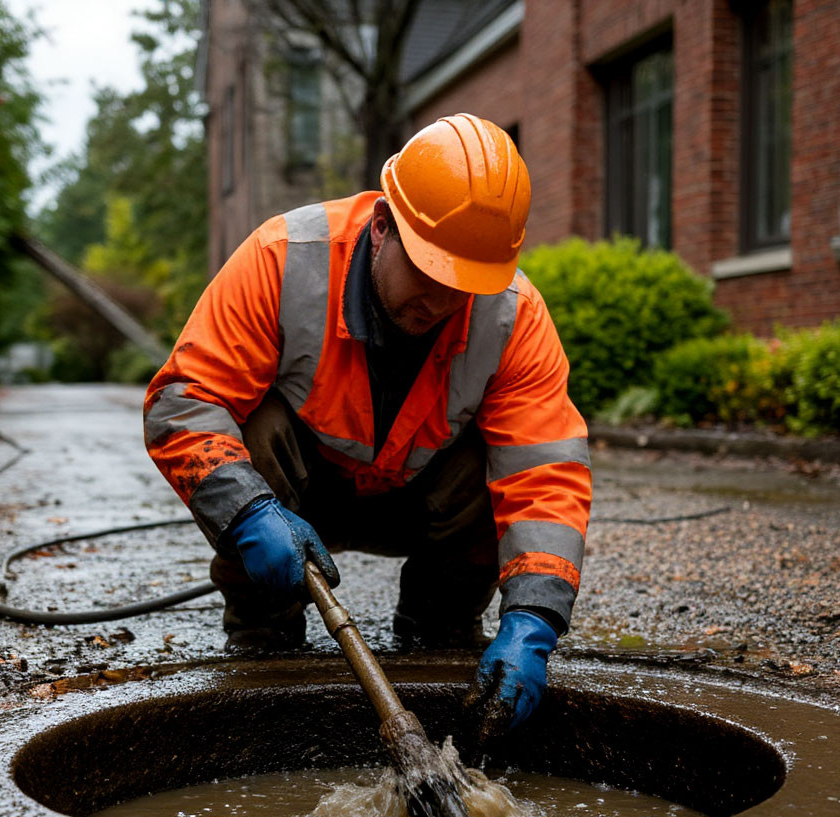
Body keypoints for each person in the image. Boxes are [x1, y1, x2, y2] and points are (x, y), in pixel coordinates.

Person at [144, 113, 592, 738]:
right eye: (430, 272)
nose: (440, 301)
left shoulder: (512, 316)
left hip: (420, 499)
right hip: (288, 506)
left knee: (490, 466)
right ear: (382, 226)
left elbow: (544, 473)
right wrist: (246, 511)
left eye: (463, 286)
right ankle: (264, 638)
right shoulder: (284, 258)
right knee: (255, 425)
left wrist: (534, 620)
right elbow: (183, 402)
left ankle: (438, 633)